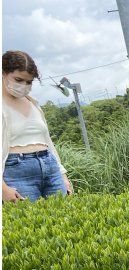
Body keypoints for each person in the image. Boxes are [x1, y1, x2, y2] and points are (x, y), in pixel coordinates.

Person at [2, 51, 71, 202]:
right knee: (28, 221)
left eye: (29, 82)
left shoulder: (33, 103)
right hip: (16, 170)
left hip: (49, 165)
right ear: (4, 73)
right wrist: (3, 188)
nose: (23, 86)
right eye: (18, 80)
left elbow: (48, 141)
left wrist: (62, 175)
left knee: (64, 216)